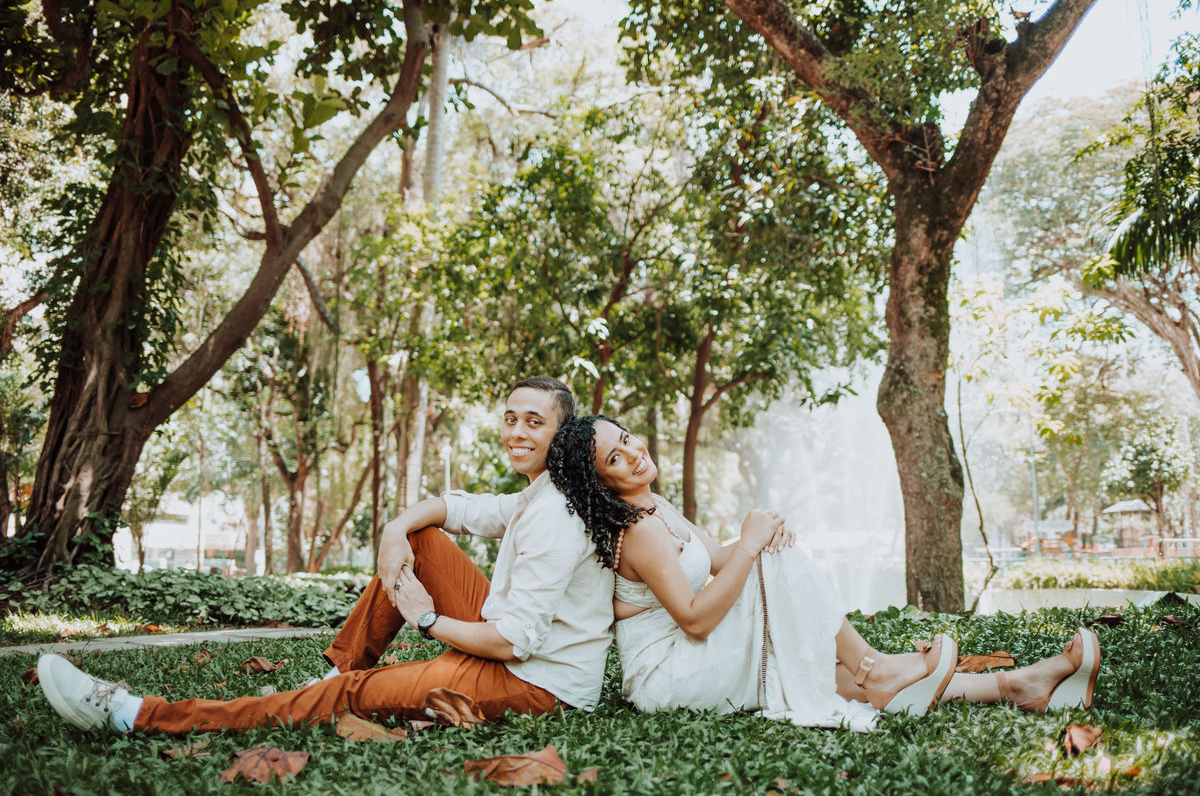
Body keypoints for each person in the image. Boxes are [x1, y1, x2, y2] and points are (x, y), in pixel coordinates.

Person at [38, 377, 614, 734]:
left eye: (534, 422)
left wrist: (427, 619)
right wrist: (396, 527)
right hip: (512, 646)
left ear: (564, 435)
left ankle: (136, 714)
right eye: (511, 418)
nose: (516, 432)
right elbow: (463, 509)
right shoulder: (541, 491)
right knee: (424, 539)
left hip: (536, 683)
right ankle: (335, 668)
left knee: (350, 699)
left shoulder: (559, 516)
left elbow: (514, 642)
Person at [546, 415, 1101, 732]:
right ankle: (872, 664)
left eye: (627, 439)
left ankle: (1017, 685)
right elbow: (693, 620)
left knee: (812, 667)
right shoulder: (639, 529)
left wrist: (758, 534)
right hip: (671, 675)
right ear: (600, 482)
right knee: (781, 574)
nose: (634, 453)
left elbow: (715, 560)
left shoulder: (654, 504)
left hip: (698, 655)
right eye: (615, 459)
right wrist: (757, 547)